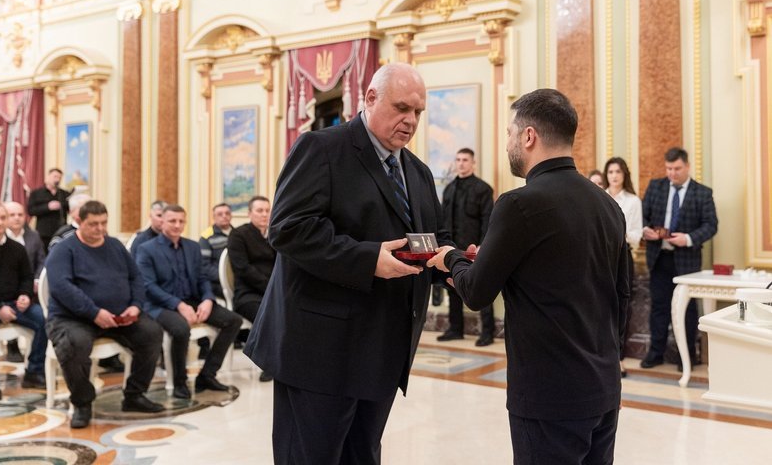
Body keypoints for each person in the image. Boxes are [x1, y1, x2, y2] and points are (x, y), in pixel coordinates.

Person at [244, 63, 451, 465]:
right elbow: (287, 230)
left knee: (362, 456)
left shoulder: (419, 172)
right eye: (402, 108)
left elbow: (432, 238)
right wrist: (368, 258)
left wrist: (454, 261)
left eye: (418, 113)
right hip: (320, 350)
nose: (410, 121)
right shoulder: (321, 148)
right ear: (370, 98)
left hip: (383, 348)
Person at [428, 89, 629, 464]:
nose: (507, 144)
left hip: (548, 394)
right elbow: (623, 295)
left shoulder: (519, 204)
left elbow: (475, 291)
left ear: (529, 136)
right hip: (603, 388)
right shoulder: (608, 206)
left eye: (509, 133)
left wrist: (450, 258)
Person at [45, 200, 165, 428]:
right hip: (73, 318)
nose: (100, 229)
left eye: (103, 223)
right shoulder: (63, 249)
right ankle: (82, 403)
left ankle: (134, 395)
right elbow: (62, 288)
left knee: (151, 333)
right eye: (93, 224)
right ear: (79, 222)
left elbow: (136, 278)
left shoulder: (116, 246)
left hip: (120, 315)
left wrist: (136, 305)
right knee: (74, 344)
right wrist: (94, 312)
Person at [136, 204, 242, 400]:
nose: (177, 225)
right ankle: (179, 382)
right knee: (180, 329)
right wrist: (179, 305)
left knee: (233, 321)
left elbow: (202, 278)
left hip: (192, 300)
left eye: (181, 221)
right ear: (162, 222)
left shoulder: (192, 247)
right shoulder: (146, 249)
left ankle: (207, 375)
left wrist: (208, 299)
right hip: (160, 305)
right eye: (172, 221)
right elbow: (148, 286)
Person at [640, 147, 718, 370]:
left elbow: (711, 225)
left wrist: (689, 238)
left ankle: (688, 357)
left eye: (676, 169)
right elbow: (644, 216)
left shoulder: (702, 192)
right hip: (659, 257)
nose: (672, 173)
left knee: (688, 310)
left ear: (687, 166)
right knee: (659, 307)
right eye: (668, 168)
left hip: (687, 261)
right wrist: (647, 231)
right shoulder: (656, 187)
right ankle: (655, 353)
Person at [436, 148, 496, 346]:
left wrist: (482, 246)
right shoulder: (449, 189)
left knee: (481, 288)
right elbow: (443, 221)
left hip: (476, 249)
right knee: (452, 287)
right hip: (453, 249)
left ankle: (487, 332)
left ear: (473, 163)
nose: (461, 163)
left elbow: (488, 220)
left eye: (465, 160)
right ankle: (455, 329)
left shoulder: (483, 189)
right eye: (458, 159)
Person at [0, 202, 48, 400]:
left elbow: (26, 276)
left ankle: (34, 371)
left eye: (2, 218)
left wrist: (25, 295)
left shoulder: (17, 248)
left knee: (44, 320)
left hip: (16, 302)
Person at [226, 196, 275, 381]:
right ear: (249, 213)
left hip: (272, 291)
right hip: (247, 294)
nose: (264, 214)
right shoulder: (238, 235)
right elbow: (243, 269)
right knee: (270, 313)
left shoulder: (275, 234)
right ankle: (269, 362)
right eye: (259, 210)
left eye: (267, 210)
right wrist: (271, 288)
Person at [603, 157, 643, 377]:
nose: (614, 176)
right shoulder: (599, 196)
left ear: (624, 174)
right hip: (600, 256)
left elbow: (636, 235)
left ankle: (618, 358)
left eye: (618, 171)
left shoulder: (633, 201)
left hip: (622, 255)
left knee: (620, 307)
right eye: (610, 172)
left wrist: (619, 234)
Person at [3, 200, 46, 363]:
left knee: (44, 317)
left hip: (27, 289)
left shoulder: (33, 236)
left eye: (20, 214)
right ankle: (12, 346)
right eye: (12, 215)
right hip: (3, 293)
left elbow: (41, 261)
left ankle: (35, 368)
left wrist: (36, 280)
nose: (16, 218)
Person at [27, 168, 72, 251]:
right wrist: (47, 207)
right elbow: (31, 211)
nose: (57, 179)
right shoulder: (36, 193)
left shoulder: (64, 193)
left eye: (59, 178)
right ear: (47, 177)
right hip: (44, 233)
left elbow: (70, 209)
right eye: (55, 176)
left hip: (61, 231)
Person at [199, 203, 234, 300]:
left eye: (227, 213)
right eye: (220, 214)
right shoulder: (206, 237)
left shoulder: (237, 234)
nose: (224, 216)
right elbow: (205, 266)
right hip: (218, 282)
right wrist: (227, 277)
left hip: (239, 279)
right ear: (214, 217)